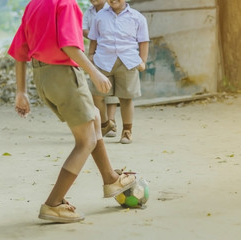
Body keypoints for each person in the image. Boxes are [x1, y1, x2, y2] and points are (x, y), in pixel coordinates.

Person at [8, 0, 136, 223]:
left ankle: (110, 178)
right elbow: (69, 46)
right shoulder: (65, 4)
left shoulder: (33, 5)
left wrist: (22, 91)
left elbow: (20, 50)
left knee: (94, 117)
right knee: (85, 141)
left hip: (43, 77)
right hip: (64, 75)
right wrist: (95, 73)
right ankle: (53, 203)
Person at [88, 0, 149, 144]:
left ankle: (127, 131)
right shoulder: (100, 16)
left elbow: (144, 41)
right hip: (103, 60)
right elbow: (94, 39)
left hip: (127, 61)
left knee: (126, 98)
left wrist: (143, 61)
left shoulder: (137, 17)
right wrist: (91, 54)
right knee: (97, 95)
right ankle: (105, 124)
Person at [83, 0, 119, 138]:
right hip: (97, 53)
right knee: (99, 89)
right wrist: (96, 34)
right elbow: (83, 29)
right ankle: (104, 122)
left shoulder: (113, 8)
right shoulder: (89, 11)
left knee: (112, 91)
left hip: (112, 53)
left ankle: (112, 121)